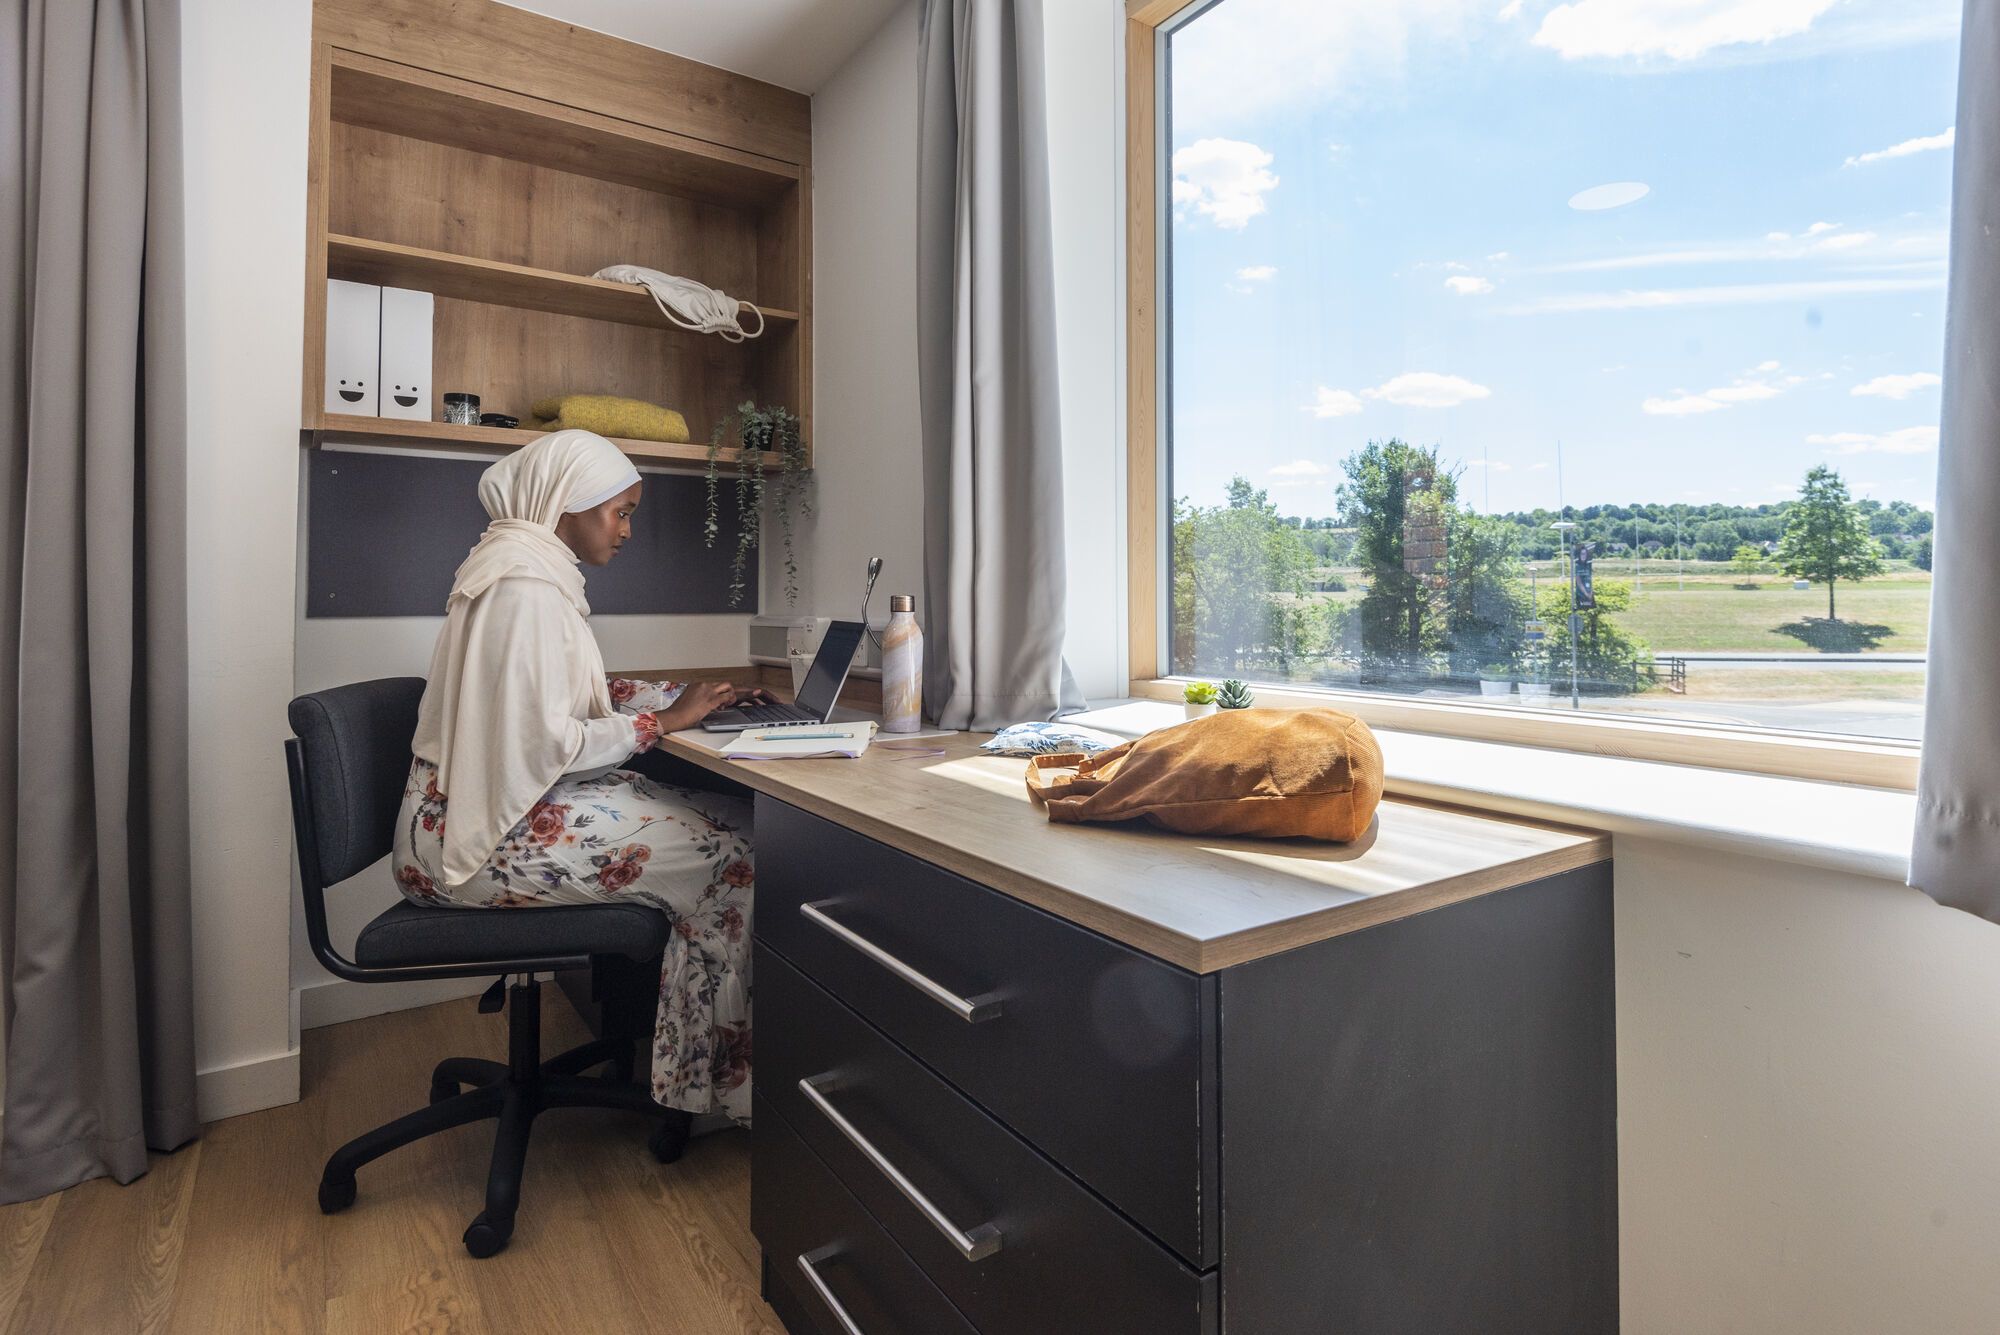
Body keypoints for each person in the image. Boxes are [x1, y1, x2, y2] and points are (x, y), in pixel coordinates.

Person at [392, 429, 767, 1123]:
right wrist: (665, 721)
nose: (626, 530)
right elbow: (549, 742)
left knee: (728, 819)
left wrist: (680, 698)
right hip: (469, 845)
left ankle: (693, 1072)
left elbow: (554, 700)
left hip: (458, 812)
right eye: (620, 512)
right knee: (738, 852)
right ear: (568, 502)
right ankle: (706, 1093)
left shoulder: (519, 567)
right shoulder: (525, 589)